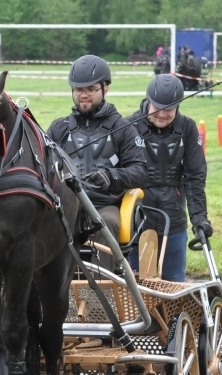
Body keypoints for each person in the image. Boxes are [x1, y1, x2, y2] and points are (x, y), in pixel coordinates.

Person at [47, 54, 147, 273]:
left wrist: (110, 176)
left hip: (105, 206)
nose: (84, 95)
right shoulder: (58, 129)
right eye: (78, 89)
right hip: (66, 206)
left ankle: (102, 295)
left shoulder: (124, 129)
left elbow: (140, 171)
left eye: (91, 89)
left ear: (105, 88)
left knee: (104, 223)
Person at [128, 74, 212, 282]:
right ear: (148, 101)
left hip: (173, 219)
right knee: (136, 284)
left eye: (170, 109)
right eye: (158, 108)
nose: (163, 114)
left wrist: (199, 217)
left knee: (173, 281)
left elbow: (195, 177)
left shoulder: (188, 129)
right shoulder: (127, 127)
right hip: (136, 222)